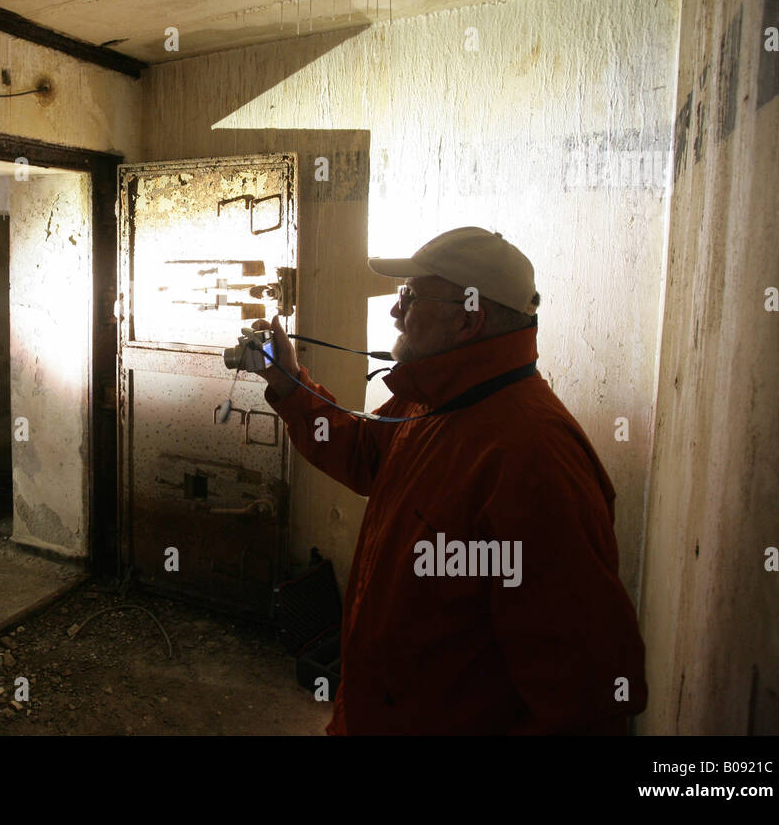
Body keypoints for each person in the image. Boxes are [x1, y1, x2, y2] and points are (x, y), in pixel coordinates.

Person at [254, 226, 647, 734]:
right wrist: (290, 387)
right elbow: (366, 454)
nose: (396, 311)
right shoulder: (434, 398)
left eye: (411, 296)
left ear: (469, 319)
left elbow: (585, 692)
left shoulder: (534, 458)